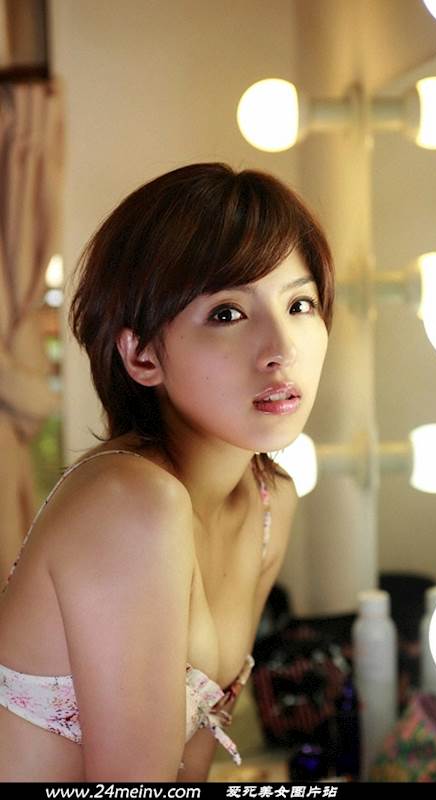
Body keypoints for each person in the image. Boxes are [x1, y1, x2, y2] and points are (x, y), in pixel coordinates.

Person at [0, 162, 335, 781]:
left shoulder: (269, 501)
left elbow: (191, 762)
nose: (282, 349)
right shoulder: (130, 500)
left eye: (299, 304)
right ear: (142, 355)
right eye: (227, 313)